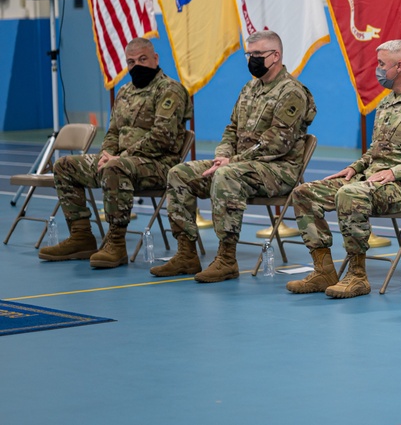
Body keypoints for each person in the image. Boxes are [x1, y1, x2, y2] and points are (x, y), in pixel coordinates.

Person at [285, 39, 401, 299]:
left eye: (382, 64)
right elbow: (375, 151)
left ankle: (357, 275)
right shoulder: (386, 104)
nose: (378, 69)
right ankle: (324, 270)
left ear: (399, 66)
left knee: (350, 194)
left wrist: (394, 173)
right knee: (305, 193)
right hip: (370, 180)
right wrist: (354, 167)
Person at [151, 30, 316, 283]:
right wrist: (222, 155)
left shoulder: (291, 91)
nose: (252, 59)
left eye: (257, 54)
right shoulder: (250, 88)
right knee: (179, 174)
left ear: (276, 56)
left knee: (227, 175)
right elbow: (231, 129)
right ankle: (186, 254)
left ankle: (227, 259)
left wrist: (231, 163)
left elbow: (277, 143)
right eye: (249, 54)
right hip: (240, 166)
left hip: (277, 170)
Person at [39, 37, 192, 269]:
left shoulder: (170, 90)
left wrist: (120, 157)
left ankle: (116, 243)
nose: (137, 66)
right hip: (120, 162)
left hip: (158, 164)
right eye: (131, 62)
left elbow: (163, 137)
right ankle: (81, 237)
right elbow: (112, 132)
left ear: (155, 59)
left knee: (114, 167)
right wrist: (105, 154)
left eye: (142, 59)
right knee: (65, 165)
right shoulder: (124, 92)